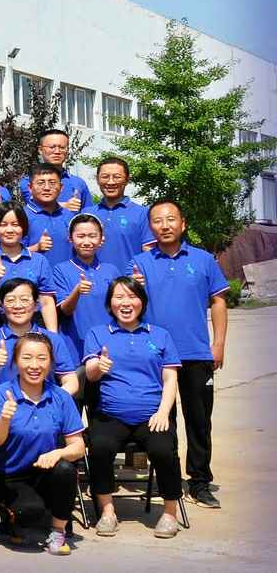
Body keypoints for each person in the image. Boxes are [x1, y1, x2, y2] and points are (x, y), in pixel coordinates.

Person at [136, 197, 228, 509]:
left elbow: (218, 302)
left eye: (171, 219)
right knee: (164, 421)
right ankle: (170, 480)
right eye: (157, 220)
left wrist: (218, 344)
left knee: (199, 421)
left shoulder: (203, 260)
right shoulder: (140, 263)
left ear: (183, 224)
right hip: (155, 356)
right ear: (151, 227)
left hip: (196, 353)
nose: (165, 225)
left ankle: (200, 482)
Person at [83, 276, 187, 538]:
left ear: (142, 301)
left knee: (164, 450)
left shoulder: (160, 335)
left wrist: (163, 412)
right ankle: (107, 511)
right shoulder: (97, 334)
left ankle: (170, 513)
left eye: (132, 296)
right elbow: (91, 374)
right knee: (100, 448)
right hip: (110, 415)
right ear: (110, 303)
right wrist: (98, 366)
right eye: (118, 297)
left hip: (152, 415)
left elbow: (170, 379)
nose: (126, 303)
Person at [0, 332, 85, 555]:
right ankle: (12, 520)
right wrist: (5, 419)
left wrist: (58, 454)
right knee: (30, 514)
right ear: (15, 361)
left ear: (51, 362)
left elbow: (78, 447)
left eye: (42, 358)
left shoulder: (61, 397)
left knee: (66, 469)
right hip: (11, 476)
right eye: (27, 358)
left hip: (45, 473)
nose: (34, 365)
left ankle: (57, 532)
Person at [0, 278, 78, 397]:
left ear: (36, 305)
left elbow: (71, 381)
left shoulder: (53, 339)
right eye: (10, 300)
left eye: (24, 300)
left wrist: (50, 400)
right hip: (6, 405)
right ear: (1, 307)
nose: (18, 306)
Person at [51, 214, 131, 347]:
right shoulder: (60, 270)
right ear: (70, 239)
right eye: (81, 236)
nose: (87, 242)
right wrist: (77, 291)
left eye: (92, 236)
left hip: (110, 341)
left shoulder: (111, 270)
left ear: (101, 239)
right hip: (74, 343)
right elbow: (65, 310)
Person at [0, 205, 57, 332]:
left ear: (24, 227)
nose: (9, 230)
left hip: (33, 328)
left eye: (15, 224)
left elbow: (46, 302)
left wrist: (53, 336)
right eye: (3, 225)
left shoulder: (39, 260)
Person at [87, 157, 148, 267]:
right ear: (97, 179)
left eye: (117, 177)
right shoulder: (87, 214)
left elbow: (148, 252)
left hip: (129, 277)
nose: (110, 182)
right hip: (92, 277)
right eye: (105, 177)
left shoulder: (142, 214)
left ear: (127, 180)